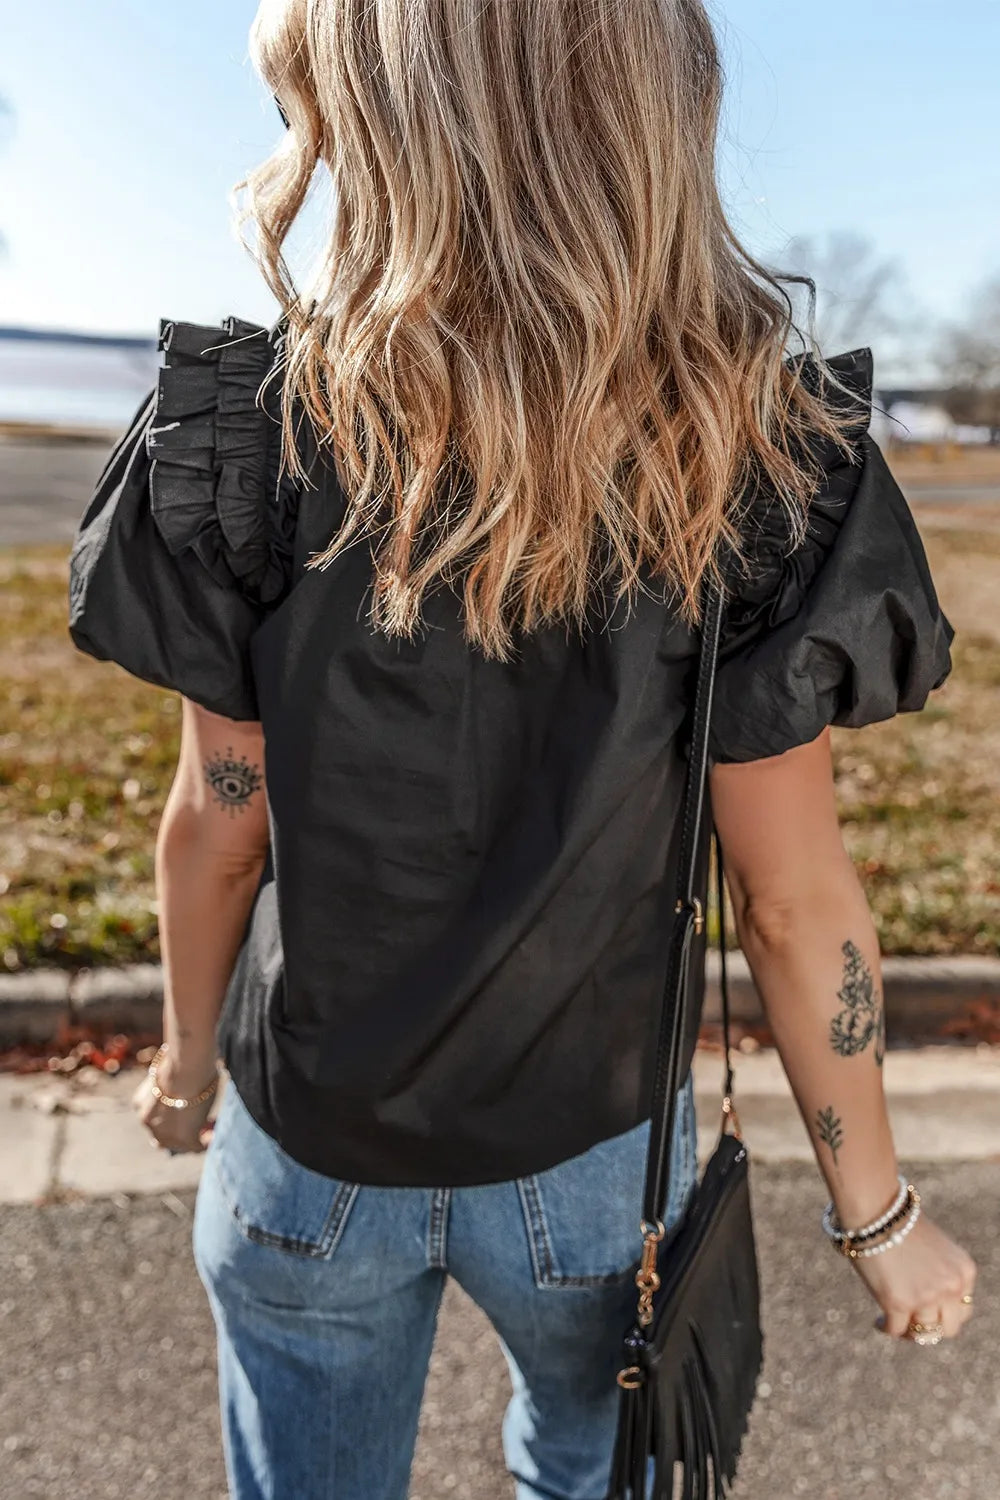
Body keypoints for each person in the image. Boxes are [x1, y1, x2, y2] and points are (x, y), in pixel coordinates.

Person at [68, 2, 976, 1497]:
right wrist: (876, 1214)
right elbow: (793, 898)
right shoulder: (749, 455)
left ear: (377, 113)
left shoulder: (250, 433)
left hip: (310, 1137)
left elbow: (219, 827)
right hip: (594, 1158)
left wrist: (181, 1066)